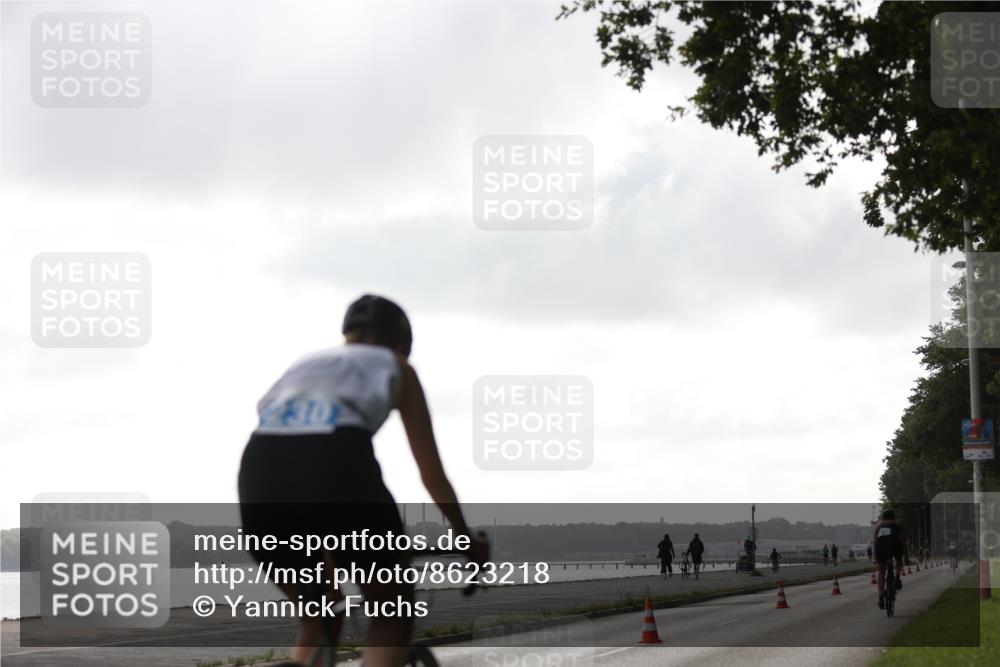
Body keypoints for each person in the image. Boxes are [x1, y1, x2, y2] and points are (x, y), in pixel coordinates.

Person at [238, 294, 489, 667]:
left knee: (323, 610)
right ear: (401, 345)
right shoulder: (396, 365)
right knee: (391, 612)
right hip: (337, 464)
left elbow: (293, 463)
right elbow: (432, 475)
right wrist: (465, 537)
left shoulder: (305, 363)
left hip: (259, 475)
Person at [873, 509, 907, 610]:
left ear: (883, 517)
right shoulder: (897, 525)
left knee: (881, 571)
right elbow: (903, 541)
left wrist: (876, 556)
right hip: (894, 544)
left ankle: (880, 596)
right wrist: (903, 555)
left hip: (881, 546)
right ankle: (897, 578)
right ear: (894, 517)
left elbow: (875, 542)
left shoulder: (878, 526)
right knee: (898, 559)